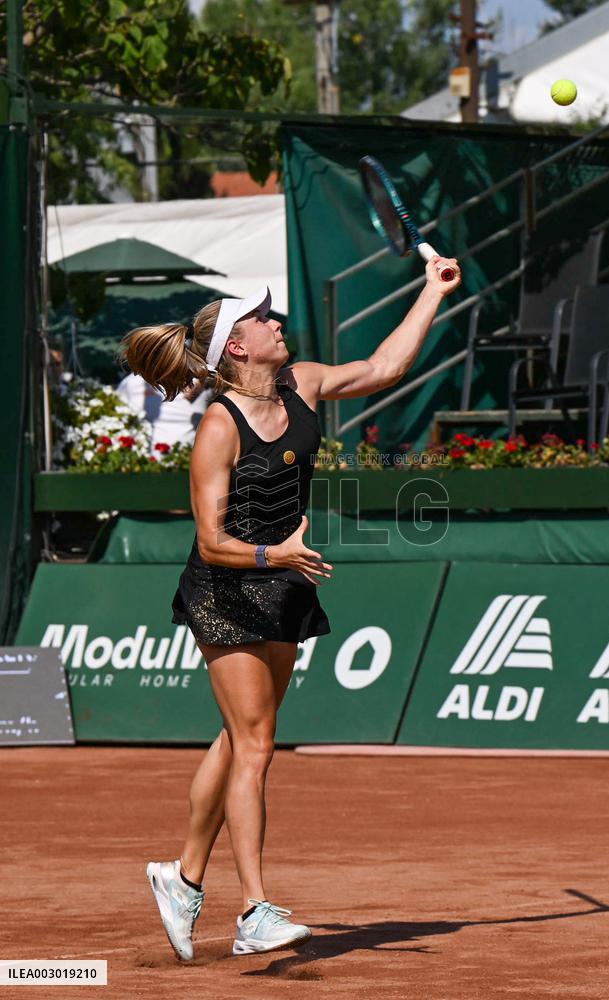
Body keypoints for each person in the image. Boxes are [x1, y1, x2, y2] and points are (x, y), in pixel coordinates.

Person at [117, 255, 461, 961]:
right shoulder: (219, 427)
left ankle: (182, 876)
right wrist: (278, 554)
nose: (276, 321)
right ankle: (253, 911)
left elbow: (385, 367)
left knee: (239, 738)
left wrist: (432, 291)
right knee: (256, 746)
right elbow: (212, 542)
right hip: (228, 588)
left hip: (284, 581)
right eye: (260, 318)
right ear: (237, 348)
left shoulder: (300, 383)